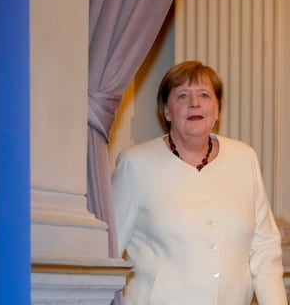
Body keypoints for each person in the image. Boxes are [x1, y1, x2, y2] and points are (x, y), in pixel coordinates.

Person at [111, 60, 287, 304]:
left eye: (204, 95)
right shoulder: (135, 164)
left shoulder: (244, 158)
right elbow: (109, 253)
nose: (194, 103)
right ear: (166, 111)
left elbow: (264, 249)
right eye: (182, 95)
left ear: (216, 110)